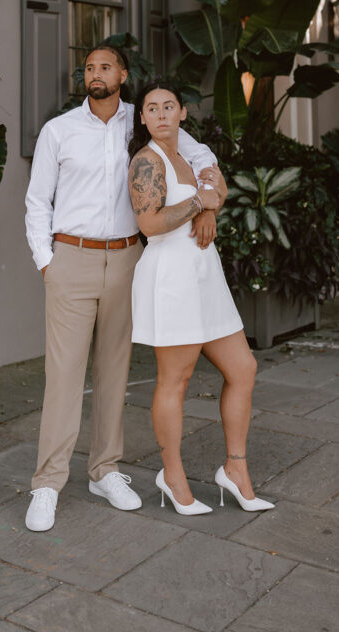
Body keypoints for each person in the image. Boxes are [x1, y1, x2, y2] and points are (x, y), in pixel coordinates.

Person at [24, 46, 225, 532]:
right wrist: (47, 263)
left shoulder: (146, 118)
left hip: (131, 259)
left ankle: (104, 471)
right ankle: (48, 484)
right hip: (71, 258)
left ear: (122, 75)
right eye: (89, 68)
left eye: (104, 67)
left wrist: (208, 204)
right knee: (64, 374)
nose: (95, 74)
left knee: (115, 371)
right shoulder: (60, 130)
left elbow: (199, 154)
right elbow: (36, 202)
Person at [128, 81, 274, 515]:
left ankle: (235, 468)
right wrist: (199, 203)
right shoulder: (146, 162)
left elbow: (218, 191)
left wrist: (209, 204)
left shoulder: (189, 154)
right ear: (142, 118)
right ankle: (172, 477)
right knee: (176, 378)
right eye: (151, 108)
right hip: (171, 276)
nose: (161, 114)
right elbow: (150, 225)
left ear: (183, 114)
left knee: (243, 368)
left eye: (169, 106)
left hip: (204, 275)